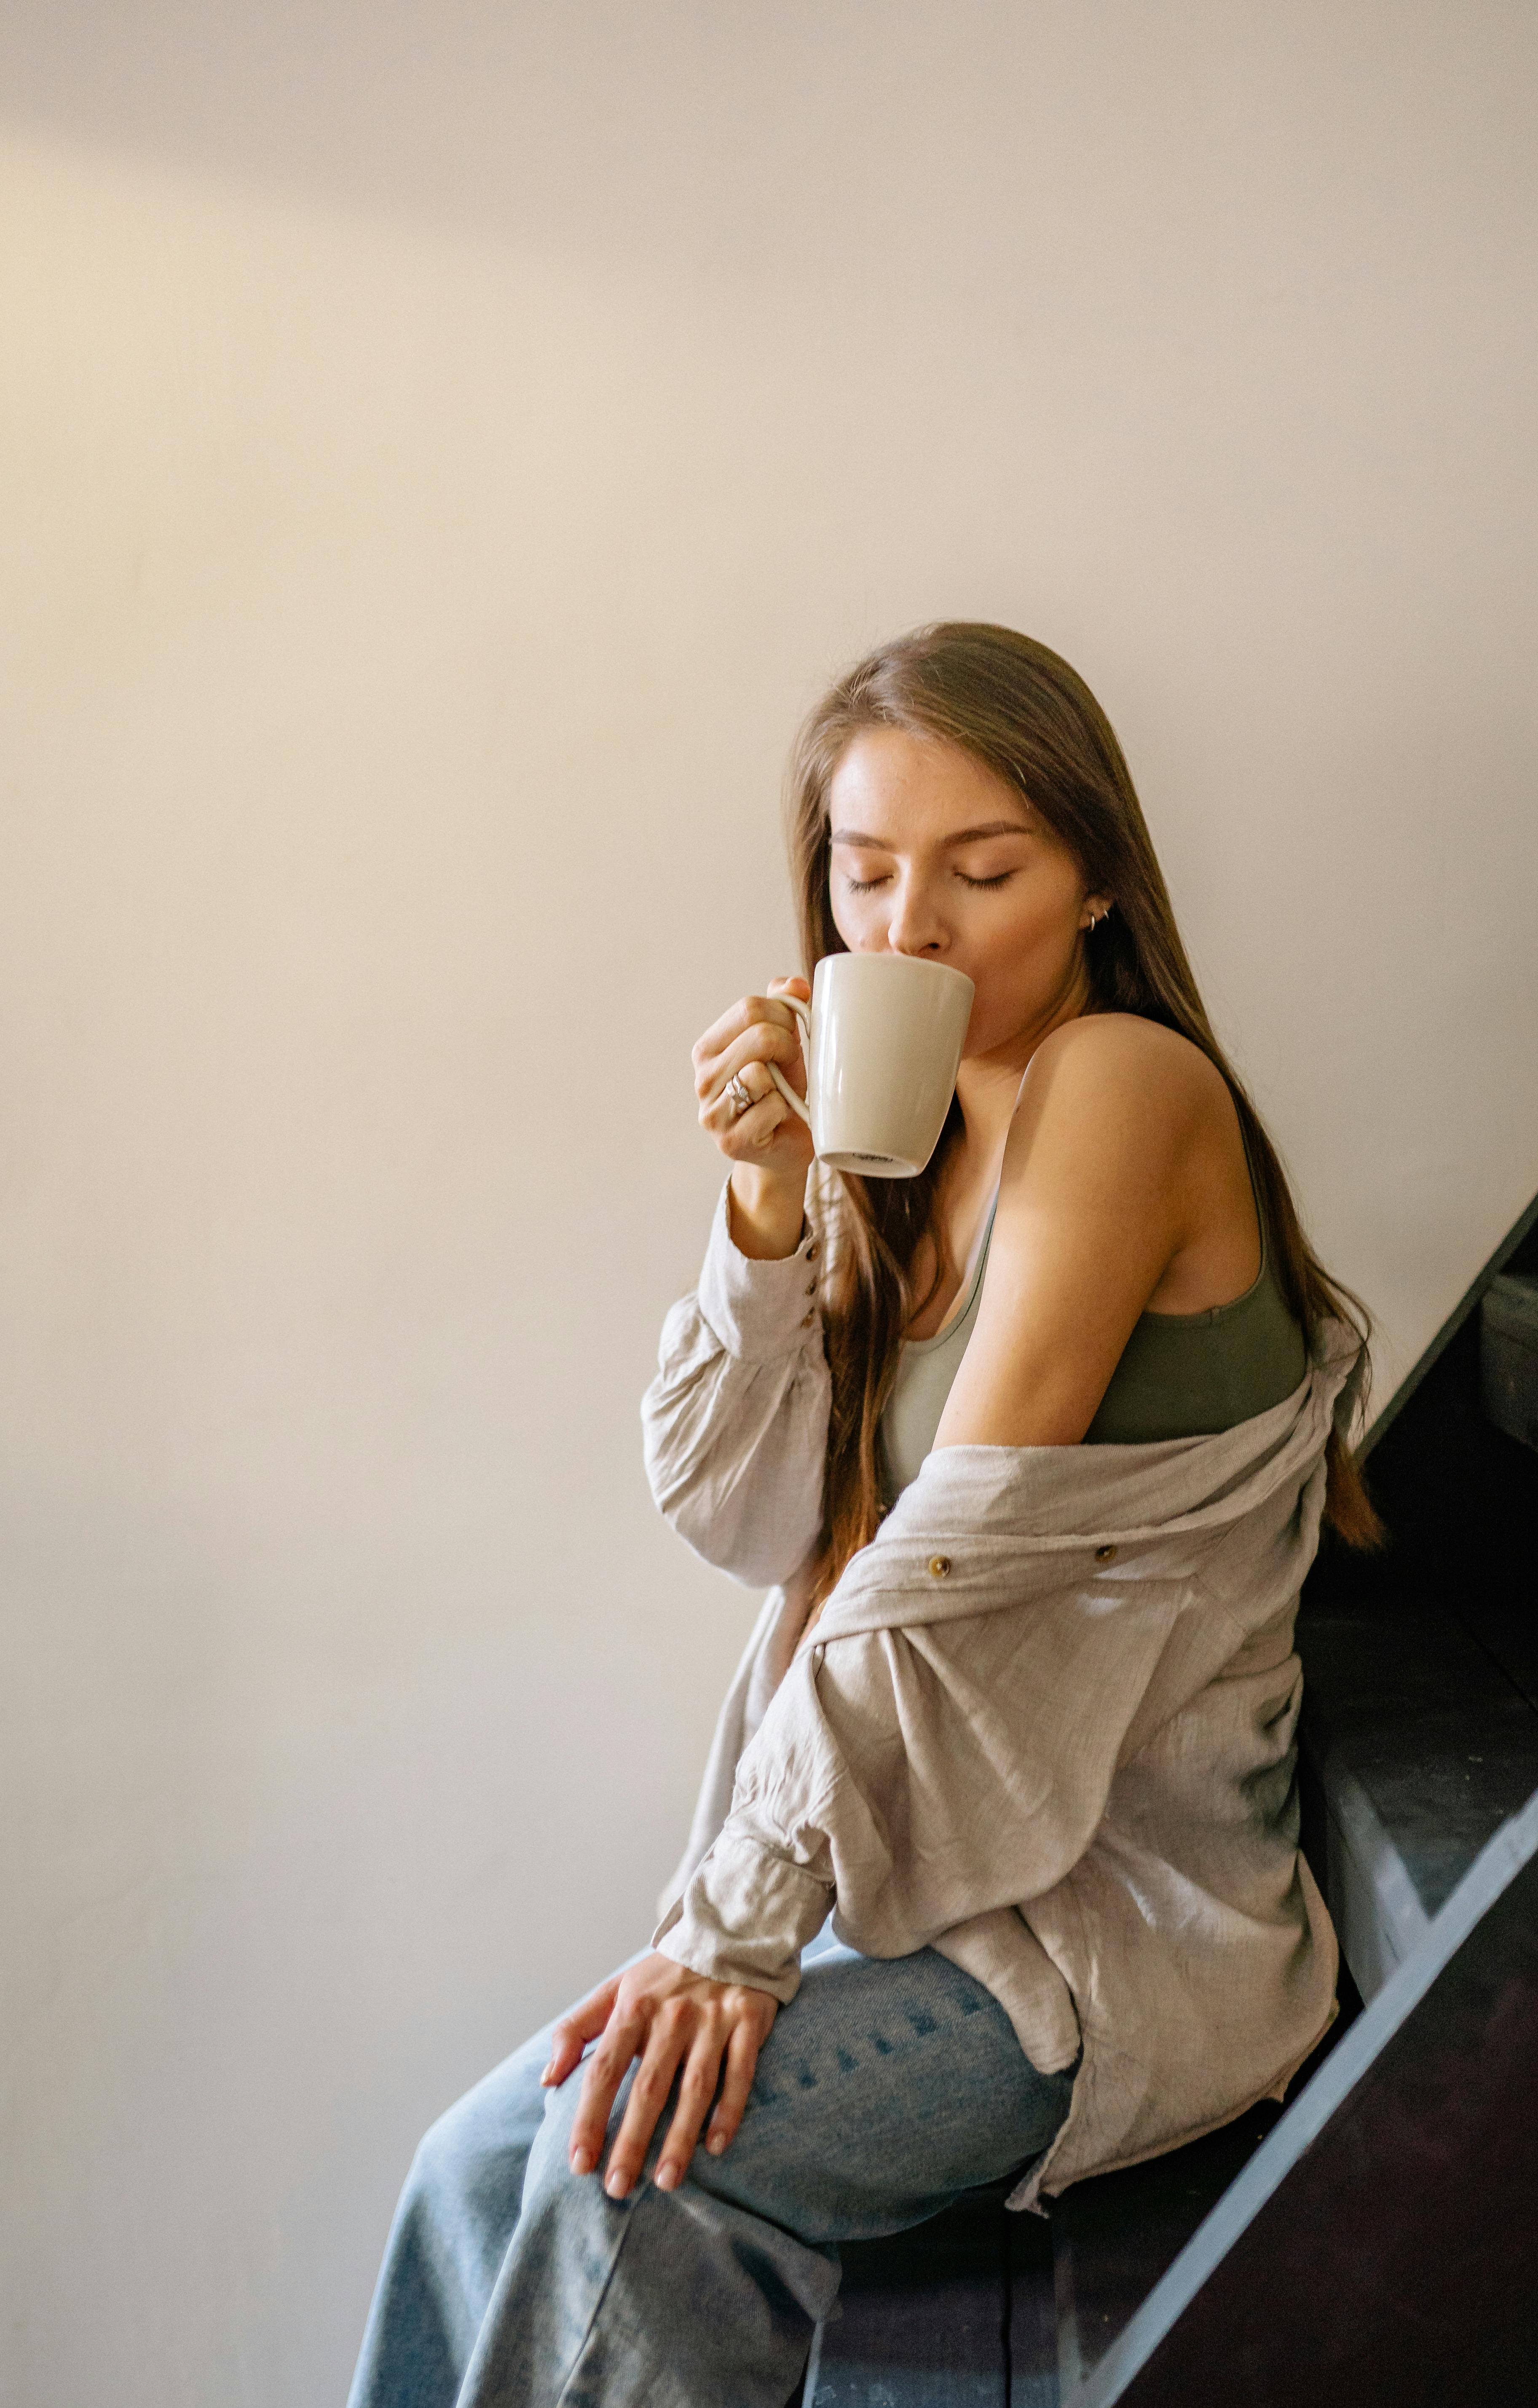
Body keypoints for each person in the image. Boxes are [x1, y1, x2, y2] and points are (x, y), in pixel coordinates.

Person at [348, 622, 1378, 2408]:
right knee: (461, 2163)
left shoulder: (1122, 1087)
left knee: (637, 2167)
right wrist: (764, 1205)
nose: (907, 928)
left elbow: (935, 1568)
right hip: (910, 1891)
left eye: (984, 871)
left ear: (1096, 884)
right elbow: (739, 1516)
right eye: (863, 871)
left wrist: (727, 1930)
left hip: (1099, 1929)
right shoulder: (897, 1147)